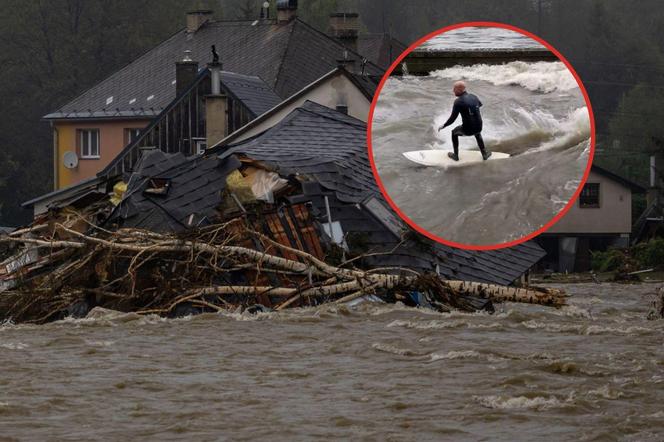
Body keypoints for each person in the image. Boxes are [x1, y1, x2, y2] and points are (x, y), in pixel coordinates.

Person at [437, 80, 491, 161]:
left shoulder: (458, 102)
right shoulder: (474, 96)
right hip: (479, 126)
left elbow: (452, 119)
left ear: (459, 89)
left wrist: (444, 125)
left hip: (468, 130)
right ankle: (484, 154)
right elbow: (479, 105)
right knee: (477, 133)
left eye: (454, 89)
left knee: (454, 132)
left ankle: (455, 155)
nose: (453, 91)